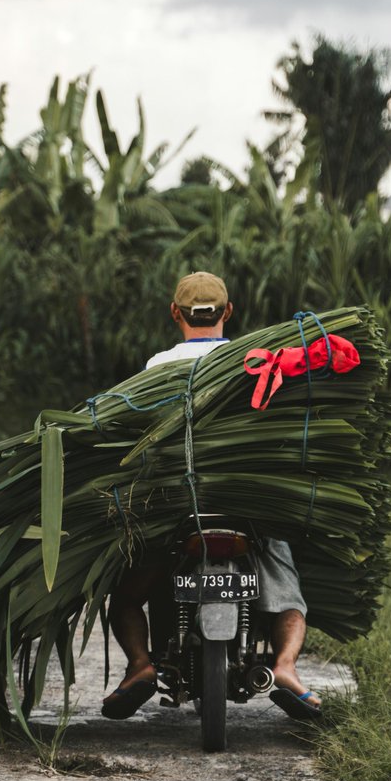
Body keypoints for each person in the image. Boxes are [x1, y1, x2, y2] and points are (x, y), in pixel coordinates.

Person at [102, 271, 322, 724]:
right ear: (228, 312)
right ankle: (285, 667)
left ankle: (141, 666)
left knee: (124, 599)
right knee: (289, 593)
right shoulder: (254, 361)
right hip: (247, 506)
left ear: (175, 314)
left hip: (176, 509)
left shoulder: (156, 368)